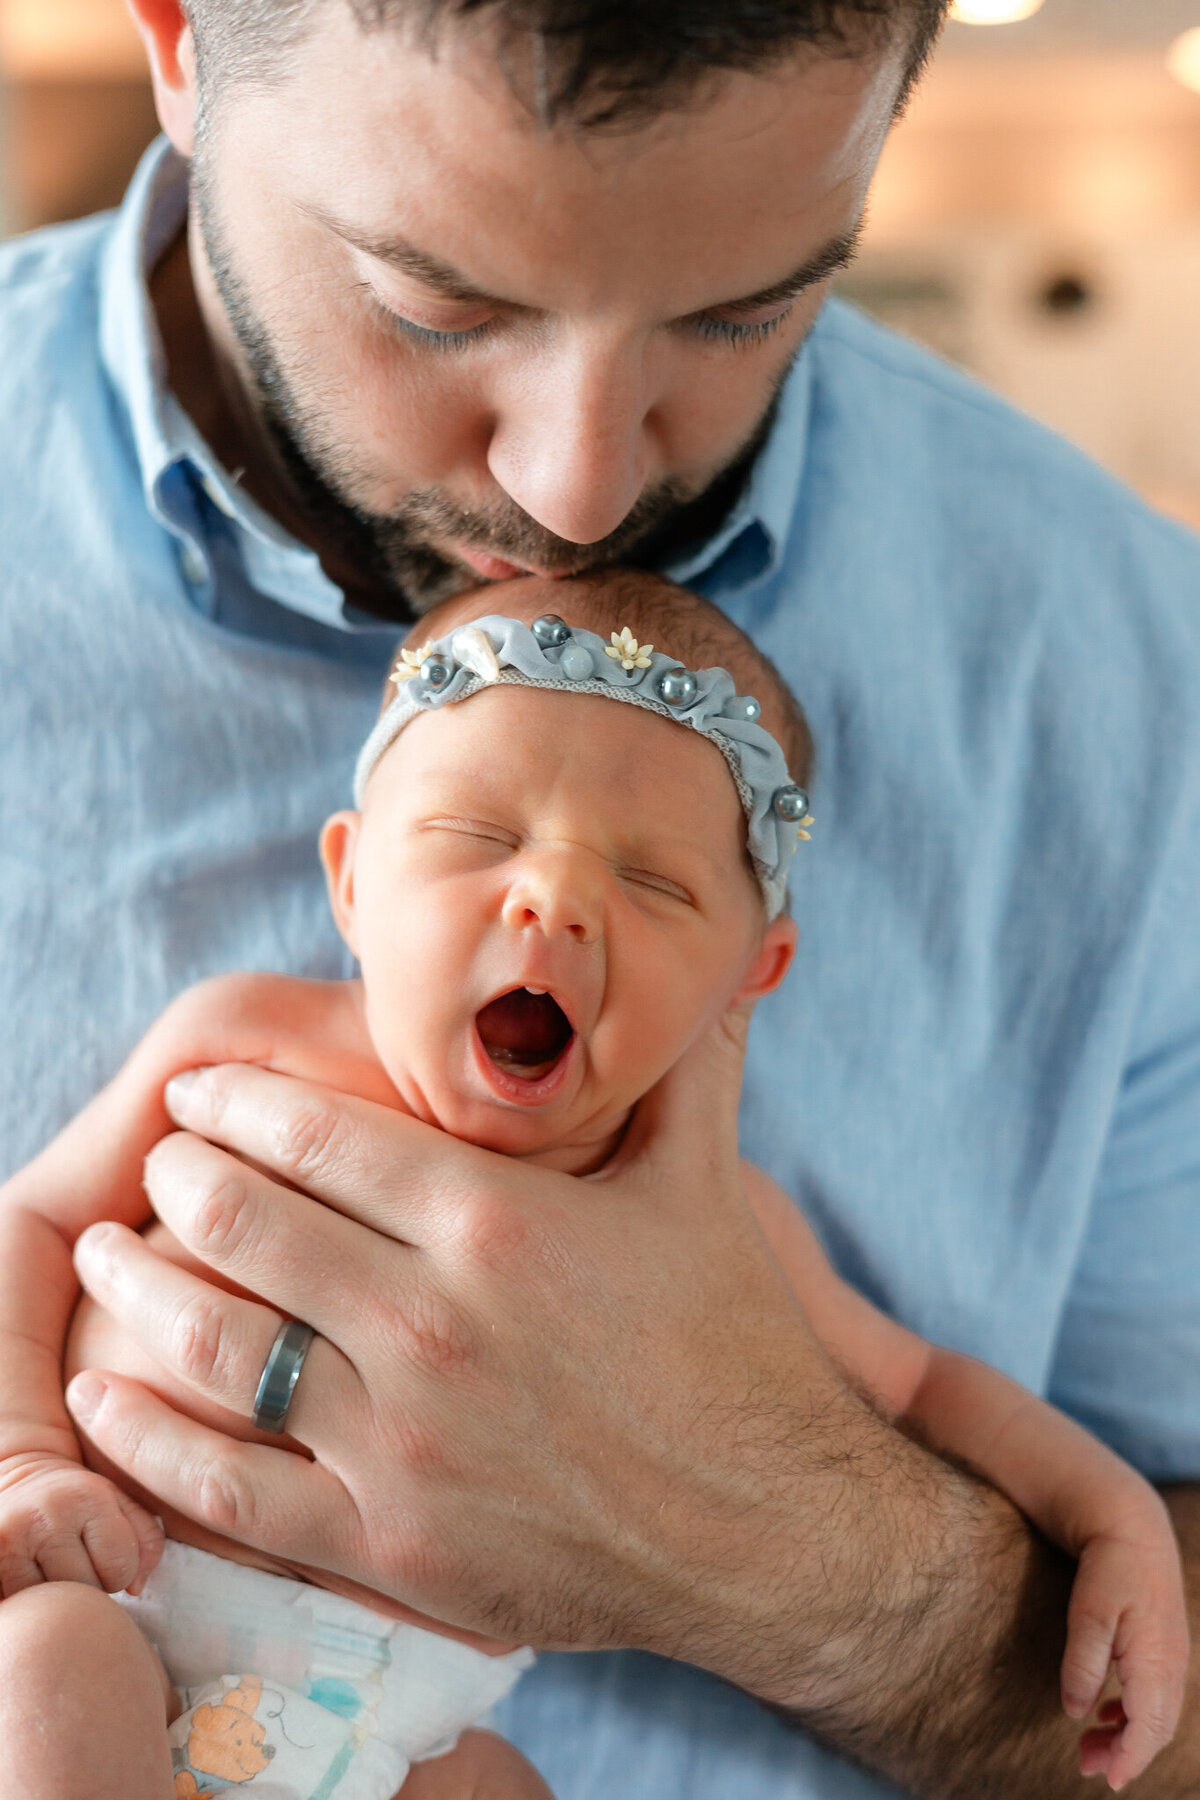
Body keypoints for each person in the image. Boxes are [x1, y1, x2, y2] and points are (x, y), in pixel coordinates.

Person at [1, 1, 1198, 1795]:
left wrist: (799, 1556)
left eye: (743, 309)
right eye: (439, 302)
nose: (579, 486)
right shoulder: (241, 1046)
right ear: (175, 34)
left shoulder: (1137, 680)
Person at [0, 574, 1187, 1799]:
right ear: (352, 882)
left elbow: (923, 1386)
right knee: (45, 1659)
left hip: (392, 1738)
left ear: (749, 974)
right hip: (122, 1597)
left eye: (657, 884)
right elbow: (33, 1220)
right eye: (477, 837)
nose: (555, 900)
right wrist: (24, 1460)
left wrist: (1111, 1516)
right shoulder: (241, 1037)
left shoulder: (718, 1235)